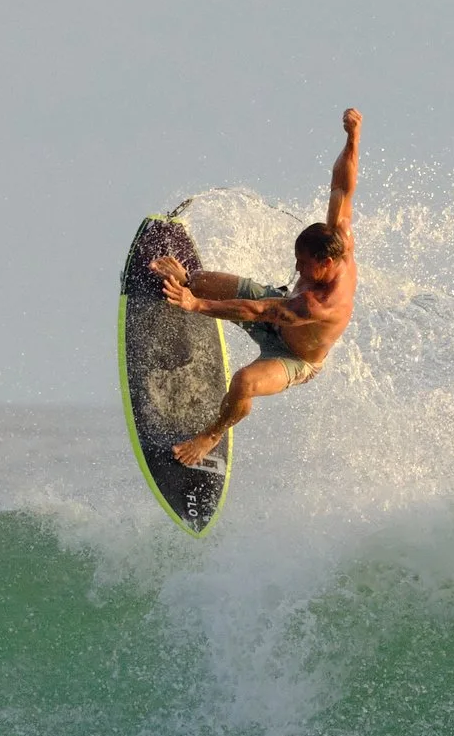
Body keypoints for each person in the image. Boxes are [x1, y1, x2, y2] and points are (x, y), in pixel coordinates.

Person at [149, 108, 362, 467]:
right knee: (198, 279)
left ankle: (211, 434)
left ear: (326, 264)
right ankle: (189, 284)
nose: (297, 268)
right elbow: (342, 185)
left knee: (244, 382)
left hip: (294, 358)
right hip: (276, 309)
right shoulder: (337, 237)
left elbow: (258, 310)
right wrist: (352, 138)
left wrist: (196, 306)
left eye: (304, 265)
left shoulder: (321, 303)